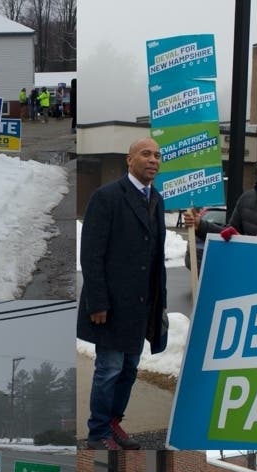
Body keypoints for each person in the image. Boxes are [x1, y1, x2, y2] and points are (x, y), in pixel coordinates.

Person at [77, 138, 168, 450]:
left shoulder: (156, 199)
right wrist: (98, 302)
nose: (153, 160)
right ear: (130, 160)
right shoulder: (107, 197)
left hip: (141, 307)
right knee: (109, 370)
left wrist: (159, 304)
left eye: (157, 155)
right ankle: (98, 433)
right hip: (112, 306)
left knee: (129, 370)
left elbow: (155, 257)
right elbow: (91, 254)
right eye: (146, 154)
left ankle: (114, 422)